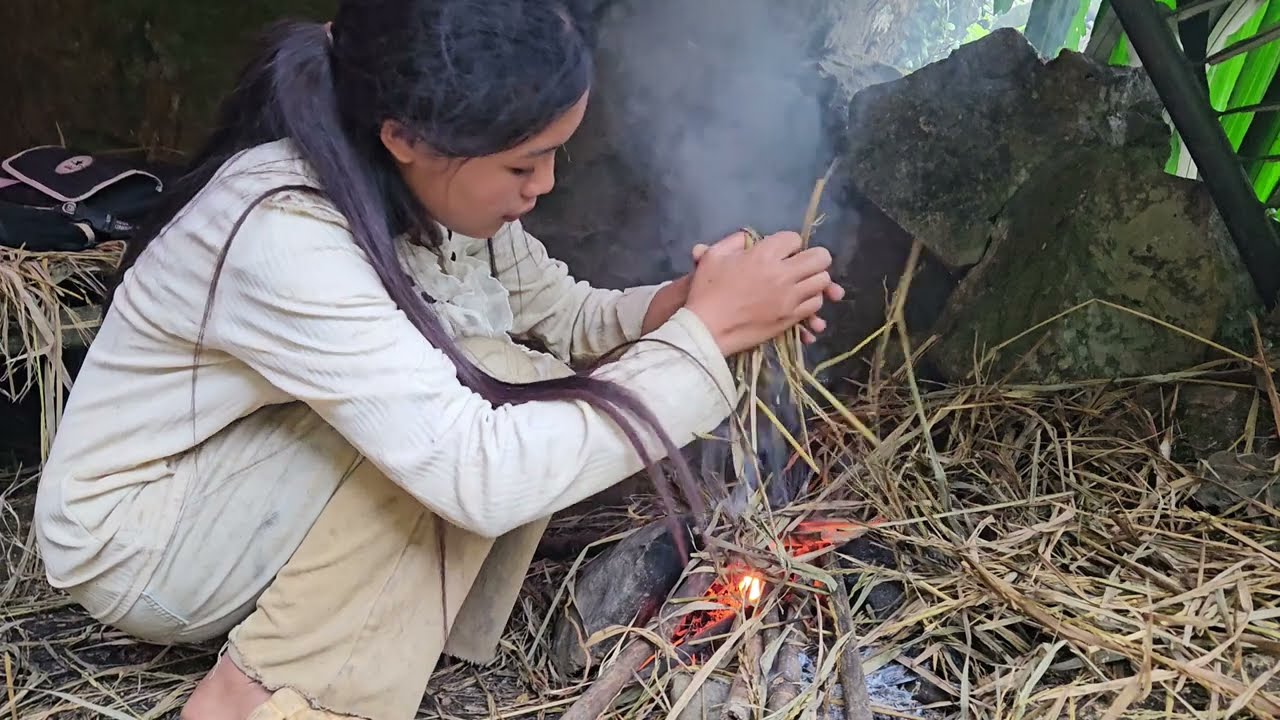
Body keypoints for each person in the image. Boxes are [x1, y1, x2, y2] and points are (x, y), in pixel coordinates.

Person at [31, 2, 844, 719]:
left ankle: (377, 630)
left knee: (498, 370)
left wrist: (692, 301)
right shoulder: (282, 230)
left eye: (557, 152)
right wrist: (702, 338)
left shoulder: (430, 187)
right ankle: (260, 701)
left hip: (242, 504)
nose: (546, 185)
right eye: (522, 164)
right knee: (487, 389)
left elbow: (562, 315)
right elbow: (474, 468)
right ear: (407, 137)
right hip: (146, 544)